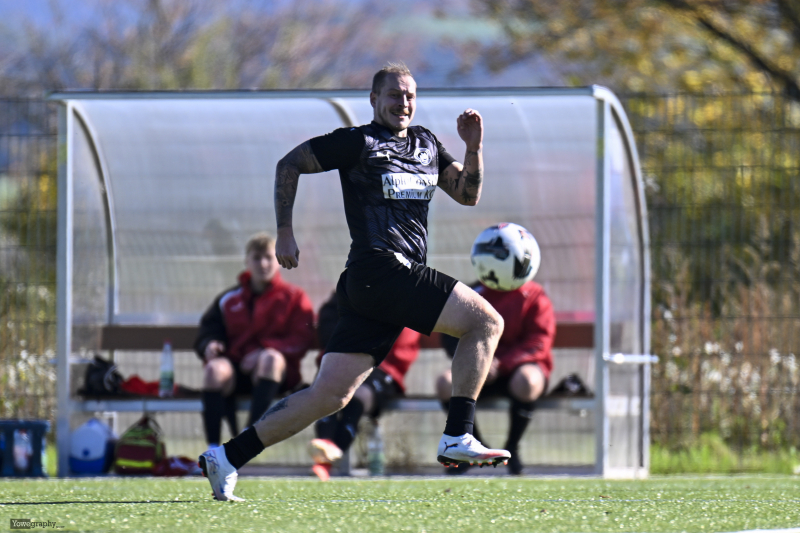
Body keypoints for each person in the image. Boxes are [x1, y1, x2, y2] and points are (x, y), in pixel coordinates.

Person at [199, 62, 508, 501]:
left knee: (330, 396)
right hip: (380, 269)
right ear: (374, 100)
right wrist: (284, 230)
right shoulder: (358, 142)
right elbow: (289, 164)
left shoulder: (425, 144)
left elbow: (467, 193)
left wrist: (473, 148)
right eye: (393, 95)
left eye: (409, 95)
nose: (403, 103)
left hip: (373, 286)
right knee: (486, 323)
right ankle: (457, 433)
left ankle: (227, 457)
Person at [194, 232, 315, 451]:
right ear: (247, 261)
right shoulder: (229, 299)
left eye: (268, 257)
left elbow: (303, 338)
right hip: (237, 370)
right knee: (213, 370)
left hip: (277, 377)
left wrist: (264, 350)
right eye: (257, 257)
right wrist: (210, 344)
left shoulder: (294, 297)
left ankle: (248, 440)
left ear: (278, 260)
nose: (263, 263)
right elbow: (208, 330)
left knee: (270, 358)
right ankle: (212, 449)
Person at [436, 278, 555, 475]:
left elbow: (538, 341)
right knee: (445, 383)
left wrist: (502, 364)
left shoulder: (535, 295)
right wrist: (478, 362)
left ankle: (512, 449)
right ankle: (470, 445)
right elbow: (449, 336)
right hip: (481, 370)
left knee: (528, 381)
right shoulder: (471, 292)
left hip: (516, 369)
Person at [308, 292, 422, 481]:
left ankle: (324, 462)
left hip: (383, 367)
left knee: (358, 395)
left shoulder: (405, 294)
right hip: (343, 360)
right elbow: (329, 326)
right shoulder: (352, 285)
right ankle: (324, 449)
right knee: (327, 387)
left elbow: (401, 341)